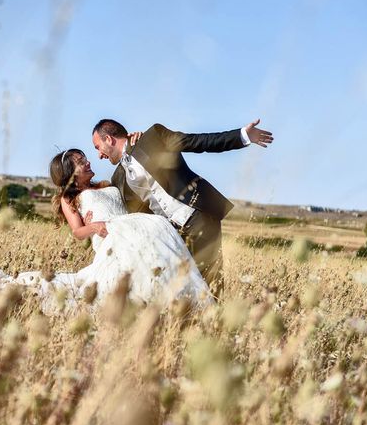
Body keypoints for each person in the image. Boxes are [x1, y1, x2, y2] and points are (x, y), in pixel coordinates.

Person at [0, 149, 212, 313]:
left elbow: (131, 171)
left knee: (156, 262)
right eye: (81, 162)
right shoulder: (70, 198)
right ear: (70, 172)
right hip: (108, 238)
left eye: (85, 159)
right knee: (101, 287)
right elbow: (79, 232)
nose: (87, 163)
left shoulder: (110, 183)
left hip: (132, 233)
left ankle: (178, 303)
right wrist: (97, 225)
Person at [92, 118, 274, 298]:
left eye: (97, 147)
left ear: (109, 139)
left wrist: (242, 135)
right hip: (171, 235)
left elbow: (198, 142)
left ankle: (215, 323)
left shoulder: (153, 136)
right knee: (180, 287)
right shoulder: (118, 178)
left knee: (210, 282)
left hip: (198, 215)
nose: (99, 155)